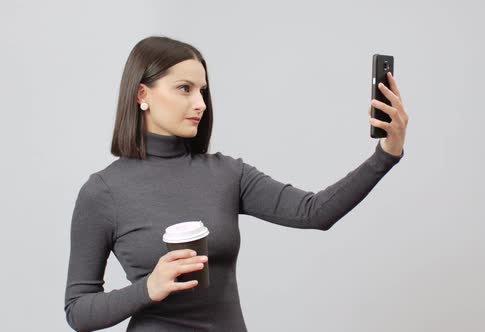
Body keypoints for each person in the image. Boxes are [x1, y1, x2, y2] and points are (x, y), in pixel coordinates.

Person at [64, 35, 408, 332]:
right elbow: (78, 310)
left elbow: (313, 212)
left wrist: (386, 153)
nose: (200, 103)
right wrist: (148, 288)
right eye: (184, 88)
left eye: (203, 91)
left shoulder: (227, 174)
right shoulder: (103, 192)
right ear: (143, 94)